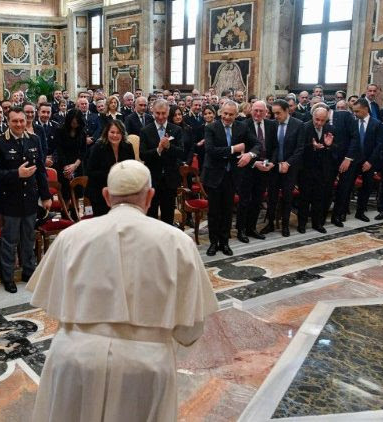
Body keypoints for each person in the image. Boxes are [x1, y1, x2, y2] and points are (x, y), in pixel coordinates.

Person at [27, 159, 218, 422]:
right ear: (150, 196)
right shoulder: (178, 243)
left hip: (74, 360)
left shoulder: (71, 236)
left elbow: (50, 301)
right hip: (144, 366)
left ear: (106, 196)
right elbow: (190, 330)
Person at [0, 107, 52, 293]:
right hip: (10, 199)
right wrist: (17, 173)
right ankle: (7, 277)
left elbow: (40, 170)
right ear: (8, 122)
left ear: (27, 121)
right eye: (14, 121)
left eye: (22, 121)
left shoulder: (34, 139)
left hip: (30, 198)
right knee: (9, 240)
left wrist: (46, 195)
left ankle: (28, 271)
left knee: (28, 237)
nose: (18, 124)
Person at [202, 101, 248, 256]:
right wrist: (234, 149)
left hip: (231, 176)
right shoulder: (211, 128)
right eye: (225, 113)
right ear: (220, 112)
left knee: (227, 211)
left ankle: (225, 242)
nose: (227, 117)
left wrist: (250, 154)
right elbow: (210, 150)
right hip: (214, 175)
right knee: (214, 212)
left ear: (236, 114)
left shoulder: (242, 127)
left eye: (231, 114)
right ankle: (213, 243)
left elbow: (255, 144)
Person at [261, 99, 304, 237]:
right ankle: (270, 224)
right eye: (273, 113)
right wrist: (268, 162)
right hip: (273, 167)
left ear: (287, 111)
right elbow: (269, 147)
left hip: (290, 168)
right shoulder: (272, 125)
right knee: (272, 197)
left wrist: (288, 163)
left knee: (287, 197)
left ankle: (285, 225)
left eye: (278, 113)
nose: (276, 116)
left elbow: (300, 149)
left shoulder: (298, 125)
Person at [139, 99, 184, 225]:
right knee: (151, 215)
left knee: (168, 215)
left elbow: (181, 152)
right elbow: (143, 155)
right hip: (153, 179)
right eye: (157, 113)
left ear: (168, 113)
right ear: (152, 112)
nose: (160, 116)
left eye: (163, 113)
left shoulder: (176, 130)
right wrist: (158, 150)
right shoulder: (145, 131)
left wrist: (169, 146)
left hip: (170, 179)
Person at [237, 101, 273, 242]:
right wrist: (254, 162)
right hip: (248, 169)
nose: (257, 114)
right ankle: (241, 230)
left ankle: (251, 228)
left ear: (266, 112)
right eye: (255, 110)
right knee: (244, 201)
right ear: (251, 110)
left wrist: (272, 163)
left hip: (264, 168)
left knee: (257, 200)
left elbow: (274, 147)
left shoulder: (271, 125)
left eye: (261, 111)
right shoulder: (243, 125)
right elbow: (241, 150)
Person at [345, 98, 383, 222]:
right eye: (354, 111)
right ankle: (343, 211)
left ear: (366, 109)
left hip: (369, 161)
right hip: (353, 160)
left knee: (367, 187)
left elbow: (379, 145)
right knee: (347, 186)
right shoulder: (352, 122)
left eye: (357, 111)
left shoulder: (377, 124)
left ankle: (360, 212)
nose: (355, 114)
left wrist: (370, 162)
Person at [86, 120, 136, 216]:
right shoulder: (98, 147)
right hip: (99, 192)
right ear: (107, 132)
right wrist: (111, 172)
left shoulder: (128, 147)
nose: (115, 135)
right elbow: (90, 172)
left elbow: (131, 169)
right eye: (112, 132)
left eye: (118, 133)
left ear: (122, 134)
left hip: (121, 193)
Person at [297, 107, 335, 233]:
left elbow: (336, 149)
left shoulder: (330, 129)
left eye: (322, 120)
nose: (319, 123)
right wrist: (312, 147)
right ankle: (301, 224)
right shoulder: (304, 127)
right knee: (304, 199)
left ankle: (316, 223)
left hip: (322, 171)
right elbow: (299, 148)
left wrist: (329, 147)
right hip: (306, 171)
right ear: (312, 116)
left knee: (319, 198)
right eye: (317, 119)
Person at [53, 109, 88, 211]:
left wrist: (75, 166)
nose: (75, 125)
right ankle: (65, 213)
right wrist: (66, 168)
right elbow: (60, 150)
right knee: (66, 193)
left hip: (77, 164)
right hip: (64, 164)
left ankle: (75, 213)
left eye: (77, 123)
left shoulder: (82, 132)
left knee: (78, 193)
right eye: (73, 123)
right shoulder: (60, 130)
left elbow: (83, 152)